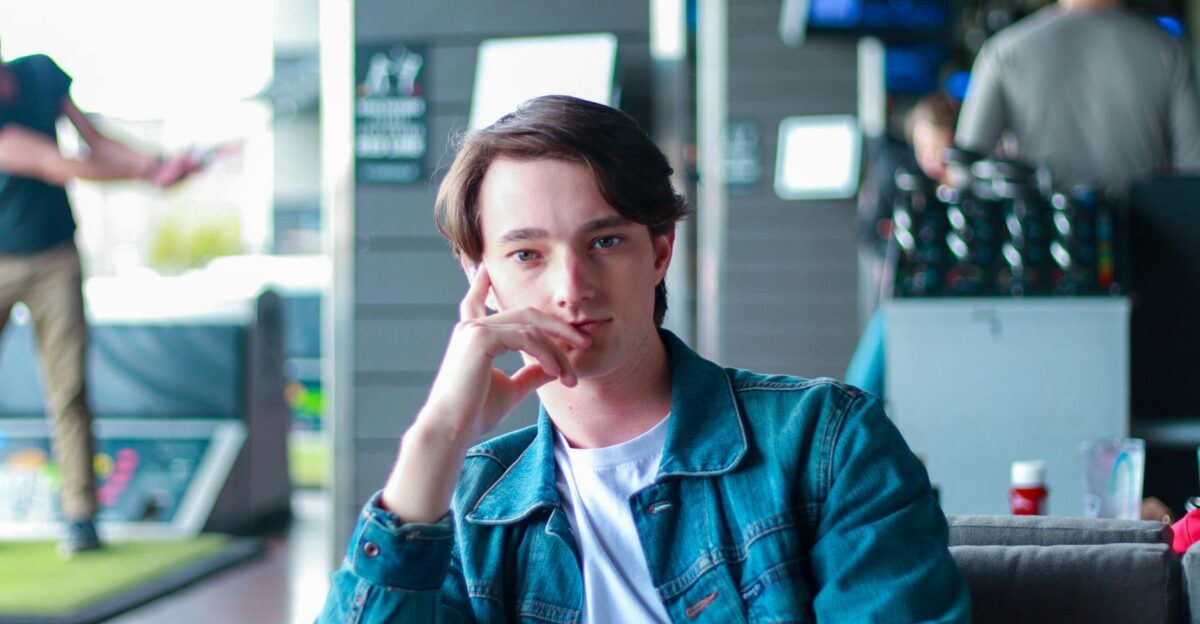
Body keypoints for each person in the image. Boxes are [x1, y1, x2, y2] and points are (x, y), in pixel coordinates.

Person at [319, 95, 971, 622]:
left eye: (604, 241)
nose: (570, 288)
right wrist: (436, 437)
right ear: (478, 274)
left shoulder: (826, 444)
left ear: (660, 251)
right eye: (527, 254)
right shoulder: (466, 508)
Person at [0, 47, 198, 556]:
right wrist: (148, 175)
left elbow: (95, 142)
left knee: (68, 390)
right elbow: (55, 163)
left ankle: (80, 516)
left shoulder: (40, 74)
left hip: (53, 257)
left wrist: (154, 163)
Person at [954, 0, 1200, 197]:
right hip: (1146, 244)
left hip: (1044, 241)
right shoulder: (1170, 52)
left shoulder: (1003, 52)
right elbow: (1193, 175)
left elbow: (964, 173)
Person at [847, 92, 960, 397]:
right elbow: (869, 232)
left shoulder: (968, 178)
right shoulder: (898, 170)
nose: (932, 160)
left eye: (942, 150)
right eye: (926, 149)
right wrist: (902, 251)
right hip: (902, 295)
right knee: (863, 384)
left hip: (957, 301)